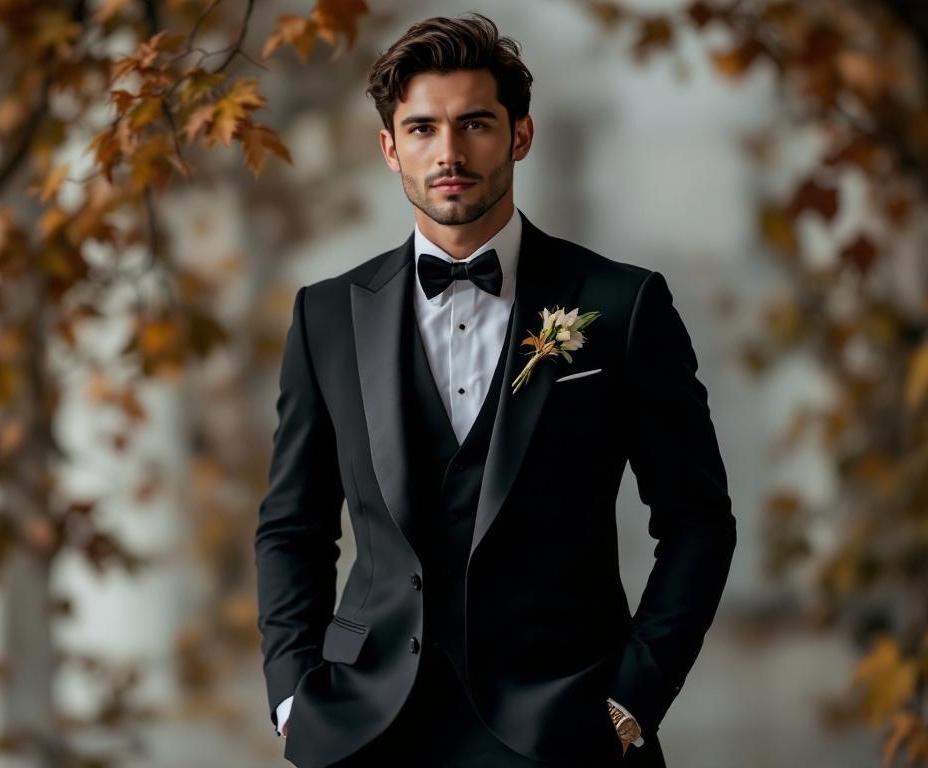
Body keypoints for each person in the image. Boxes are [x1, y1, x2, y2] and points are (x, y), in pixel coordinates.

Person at [254, 12, 736, 768]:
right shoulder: (326, 315)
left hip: (565, 725)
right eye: (421, 129)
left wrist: (632, 701)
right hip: (365, 726)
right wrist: (292, 697)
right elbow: (292, 526)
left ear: (521, 135)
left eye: (475, 123)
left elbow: (698, 521)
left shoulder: (623, 304)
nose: (448, 152)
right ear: (389, 148)